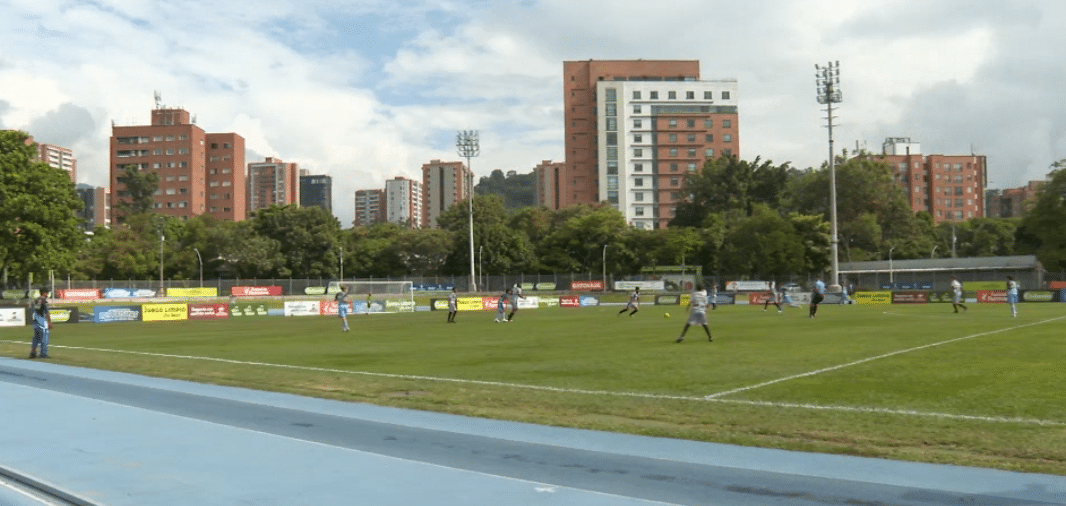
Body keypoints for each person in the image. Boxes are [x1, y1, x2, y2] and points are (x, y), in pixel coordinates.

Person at [29, 288, 52, 359]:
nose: (47, 295)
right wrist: (49, 322)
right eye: (47, 293)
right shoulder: (43, 301)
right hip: (41, 320)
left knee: (36, 337)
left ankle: (33, 353)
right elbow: (46, 312)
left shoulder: (36, 300)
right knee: (44, 337)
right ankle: (43, 354)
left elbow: (34, 310)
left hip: (35, 320)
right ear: (44, 293)